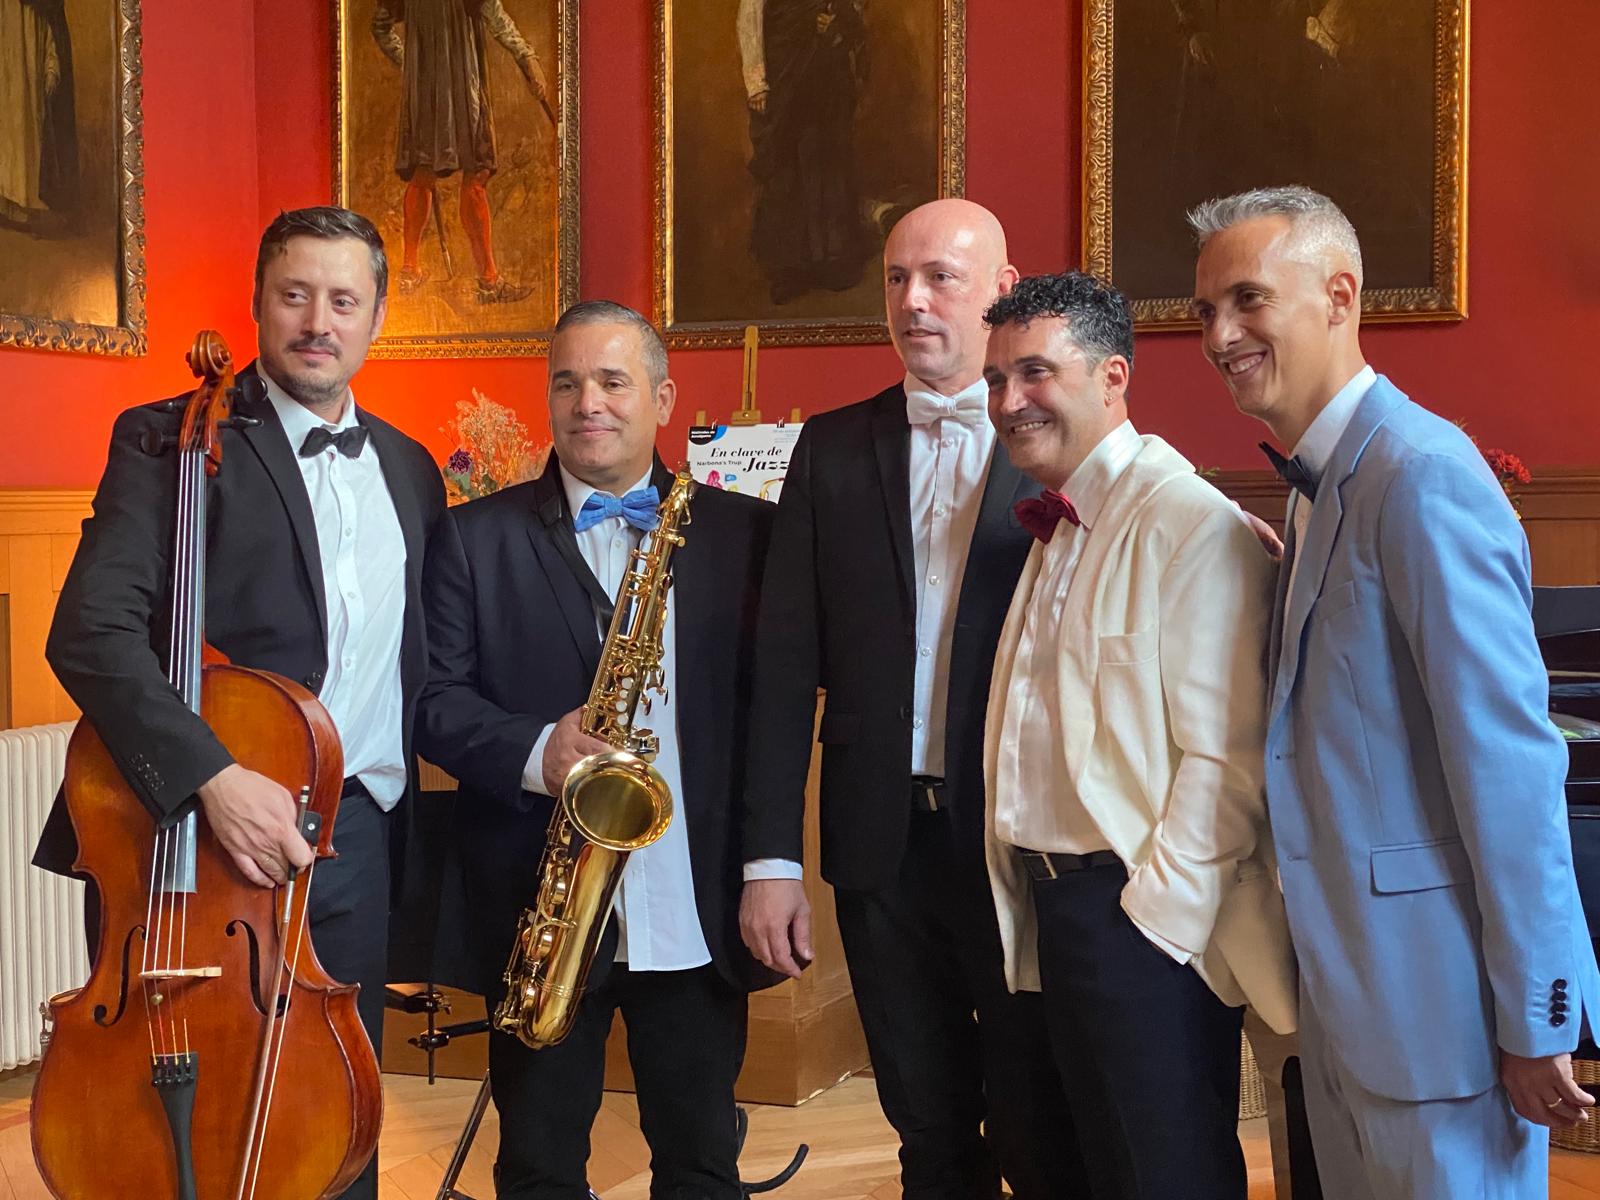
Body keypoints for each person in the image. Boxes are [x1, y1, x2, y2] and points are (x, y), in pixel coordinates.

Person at [1190, 183, 1600, 1197]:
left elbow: (1508, 768)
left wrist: (1540, 1016)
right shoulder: (1320, 482)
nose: (1217, 334)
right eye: (1204, 311)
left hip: (1446, 1019)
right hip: (1354, 1003)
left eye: (1247, 300)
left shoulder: (1422, 472)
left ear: (1337, 295)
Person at [37, 205, 448, 1200]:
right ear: (259, 303)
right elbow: (88, 632)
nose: (318, 319)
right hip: (192, 847)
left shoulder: (410, 466)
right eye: (295, 293)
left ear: (377, 318)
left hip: (356, 836)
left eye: (343, 300)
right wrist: (212, 779)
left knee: (332, 1115)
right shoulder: (170, 439)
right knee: (178, 1128)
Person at [741, 198, 1087, 1199]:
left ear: (1002, 291)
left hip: (1018, 840)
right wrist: (771, 860)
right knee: (925, 1120)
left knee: (1037, 1112)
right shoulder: (830, 449)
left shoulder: (1058, 443)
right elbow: (779, 667)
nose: (913, 300)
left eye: (940, 276)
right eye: (897, 278)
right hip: (875, 843)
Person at [416, 300, 779, 1199]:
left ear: (660, 398)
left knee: (701, 1161)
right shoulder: (472, 536)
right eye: (568, 382)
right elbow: (429, 703)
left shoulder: (743, 534)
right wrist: (542, 750)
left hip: (690, 906)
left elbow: (771, 713)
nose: (589, 403)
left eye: (613, 381)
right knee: (539, 1167)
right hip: (539, 914)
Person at [979, 271, 1297, 1198]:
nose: (1009, 400)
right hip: (1044, 913)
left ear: (1113, 378)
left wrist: (1155, 922)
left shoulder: (1189, 522)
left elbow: (1232, 761)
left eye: (1036, 372)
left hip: (1137, 921)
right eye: (997, 379)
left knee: (1164, 1179)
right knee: (1067, 1170)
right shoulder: (1057, 524)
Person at [371, 0, 550, 303]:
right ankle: (488, 282)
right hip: (466, 93)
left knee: (426, 173)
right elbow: (497, 20)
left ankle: (411, 271)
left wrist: (414, 66)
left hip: (427, 95)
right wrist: (526, 58)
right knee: (469, 175)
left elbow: (381, 28)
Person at [737, 0, 872, 304]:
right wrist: (756, 82)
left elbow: (854, 11)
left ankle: (835, 259)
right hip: (785, 75)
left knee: (832, 164)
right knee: (786, 171)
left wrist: (838, 28)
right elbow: (751, 15)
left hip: (829, 77)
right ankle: (789, 267)